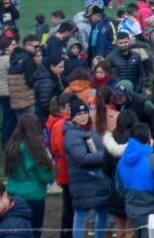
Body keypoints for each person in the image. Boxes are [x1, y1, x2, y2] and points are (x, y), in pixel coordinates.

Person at [116, 123, 154, 238]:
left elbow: (119, 187)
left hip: (132, 212)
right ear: (149, 138)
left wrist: (130, 201)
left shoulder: (121, 162)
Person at [62, 96, 109, 238]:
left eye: (84, 113)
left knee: (102, 214)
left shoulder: (90, 130)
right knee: (81, 216)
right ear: (73, 117)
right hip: (83, 181)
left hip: (97, 180)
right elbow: (82, 158)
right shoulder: (71, 135)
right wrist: (105, 155)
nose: (83, 117)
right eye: (79, 114)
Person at [3, 113, 56, 238]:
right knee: (34, 231)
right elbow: (46, 177)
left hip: (13, 194)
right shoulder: (34, 149)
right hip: (33, 197)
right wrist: (52, 170)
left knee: (16, 230)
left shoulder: (11, 146)